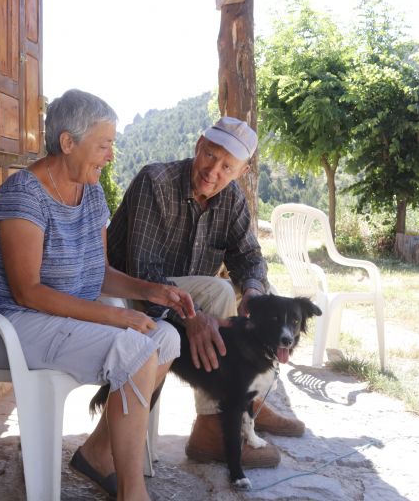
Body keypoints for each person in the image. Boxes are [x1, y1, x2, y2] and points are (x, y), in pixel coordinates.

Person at [0, 89, 195, 501]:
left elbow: (98, 272)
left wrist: (152, 291)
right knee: (136, 348)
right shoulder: (24, 196)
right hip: (4, 328)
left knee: (165, 339)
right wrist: (117, 318)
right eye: (103, 145)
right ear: (68, 142)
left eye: (112, 145)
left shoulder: (90, 192)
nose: (110, 155)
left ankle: (98, 452)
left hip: (59, 320)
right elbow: (27, 291)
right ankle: (132, 491)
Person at [107, 116, 305, 469]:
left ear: (240, 172)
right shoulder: (156, 182)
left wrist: (253, 291)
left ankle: (248, 399)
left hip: (180, 295)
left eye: (227, 166)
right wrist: (193, 316)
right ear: (199, 146)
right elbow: (143, 270)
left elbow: (249, 258)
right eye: (211, 156)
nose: (214, 170)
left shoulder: (231, 198)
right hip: (130, 290)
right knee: (217, 291)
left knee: (261, 297)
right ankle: (212, 428)